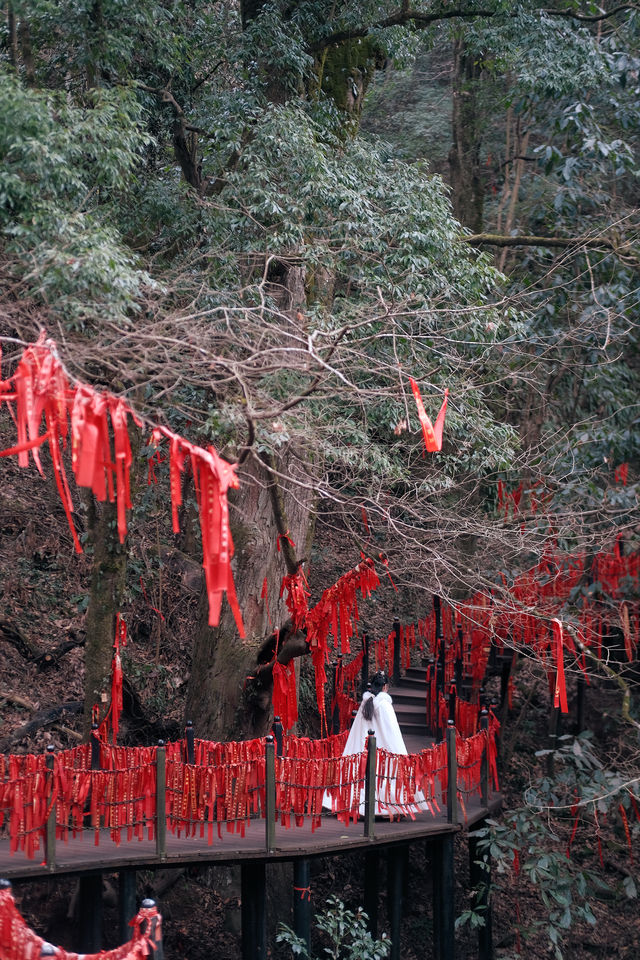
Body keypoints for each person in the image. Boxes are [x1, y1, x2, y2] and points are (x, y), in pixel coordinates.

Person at [323, 670, 428, 819]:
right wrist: (399, 753)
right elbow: (392, 732)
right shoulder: (384, 705)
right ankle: (386, 808)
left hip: (363, 749)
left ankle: (355, 806)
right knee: (383, 773)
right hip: (381, 749)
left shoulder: (366, 703)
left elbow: (357, 730)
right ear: (385, 687)